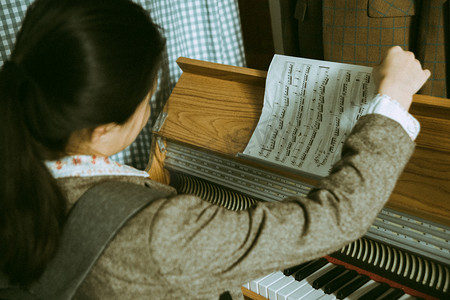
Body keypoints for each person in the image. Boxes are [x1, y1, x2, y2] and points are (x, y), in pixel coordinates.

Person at [0, 0, 430, 299]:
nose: (151, 109)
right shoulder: (159, 234)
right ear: (104, 130)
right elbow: (336, 217)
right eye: (148, 98)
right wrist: (390, 102)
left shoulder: (17, 175)